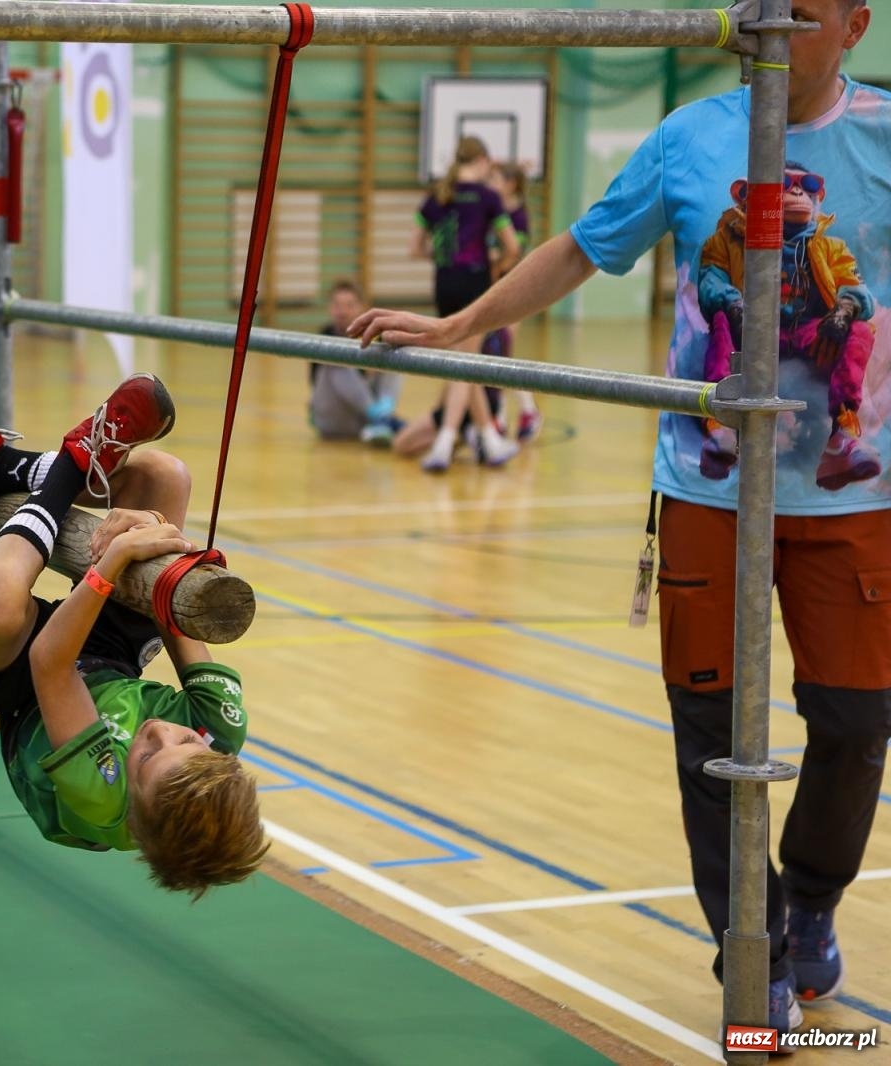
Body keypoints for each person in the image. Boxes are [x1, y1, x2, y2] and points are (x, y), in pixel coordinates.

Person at [350, 0, 883, 1036]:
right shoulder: (686, 137)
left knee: (857, 727)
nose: (766, 28)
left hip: (849, 490)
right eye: (756, 9)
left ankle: (810, 898)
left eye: (801, 14)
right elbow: (583, 247)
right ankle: (752, 949)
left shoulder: (883, 136)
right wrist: (462, 326)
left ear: (855, 24)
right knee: (708, 740)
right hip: (704, 486)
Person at [0, 347, 268, 896]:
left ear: (136, 813)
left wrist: (116, 560)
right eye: (184, 743)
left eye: (147, 758)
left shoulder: (100, 791)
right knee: (163, 475)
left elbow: (49, 662)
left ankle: (74, 461)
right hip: (115, 667)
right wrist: (155, 537)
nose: (159, 734)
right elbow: (177, 619)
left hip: (31, 695)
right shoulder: (220, 729)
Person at [409, 136, 523, 473]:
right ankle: (445, 443)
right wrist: (496, 265)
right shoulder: (489, 198)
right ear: (484, 160)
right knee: (465, 364)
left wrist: (444, 258)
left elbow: (414, 248)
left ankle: (489, 439)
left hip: (444, 284)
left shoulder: (436, 196)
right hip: (475, 284)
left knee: (462, 362)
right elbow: (513, 247)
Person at [485, 161, 542, 441]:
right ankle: (500, 415)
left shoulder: (518, 216)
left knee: (503, 352)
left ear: (510, 184)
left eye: (495, 178)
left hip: (514, 291)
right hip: (493, 289)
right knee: (493, 354)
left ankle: (525, 410)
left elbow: (513, 254)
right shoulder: (491, 211)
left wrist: (494, 263)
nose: (489, 182)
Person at [309, 280, 405, 445]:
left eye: (349, 305)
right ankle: (381, 418)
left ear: (362, 308)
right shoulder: (326, 335)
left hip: (360, 420)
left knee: (393, 353)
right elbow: (315, 383)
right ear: (329, 308)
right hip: (334, 419)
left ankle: (383, 415)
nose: (342, 311)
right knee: (335, 357)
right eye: (337, 305)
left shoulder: (374, 337)